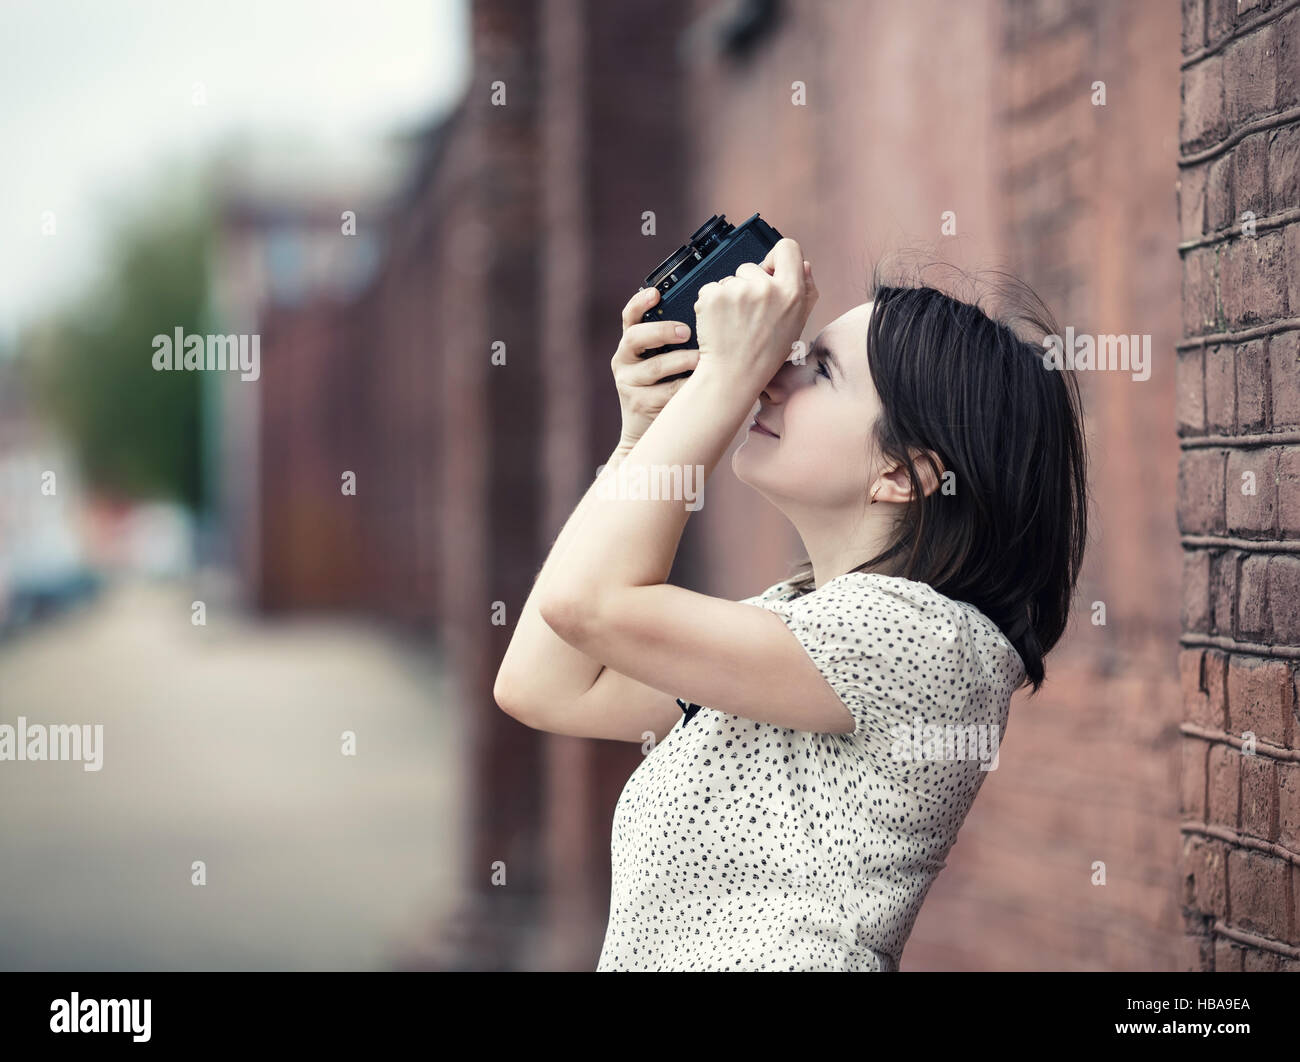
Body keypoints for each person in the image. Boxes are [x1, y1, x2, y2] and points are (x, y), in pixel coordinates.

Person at [493, 238, 1089, 971]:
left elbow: (588, 604)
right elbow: (546, 684)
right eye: (785, 358)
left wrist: (722, 381)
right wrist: (642, 438)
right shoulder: (798, 625)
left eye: (818, 370)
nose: (772, 379)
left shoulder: (927, 643)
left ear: (904, 473)